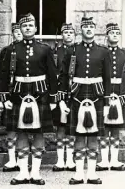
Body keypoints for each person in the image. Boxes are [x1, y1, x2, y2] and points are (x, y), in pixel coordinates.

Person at [0, 13, 58, 185]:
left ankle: (36, 173)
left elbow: (53, 75)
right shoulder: (11, 50)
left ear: (36, 28)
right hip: (18, 94)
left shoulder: (45, 49)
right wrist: (3, 97)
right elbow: (2, 75)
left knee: (39, 133)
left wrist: (53, 99)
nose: (28, 28)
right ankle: (23, 173)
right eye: (25, 26)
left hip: (41, 94)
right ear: (20, 29)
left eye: (31, 25)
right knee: (21, 133)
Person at [59, 16, 111, 185]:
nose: (88, 30)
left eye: (91, 27)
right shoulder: (71, 50)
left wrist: (108, 103)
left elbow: (107, 78)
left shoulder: (104, 52)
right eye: (85, 27)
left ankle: (93, 174)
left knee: (94, 136)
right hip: (77, 95)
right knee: (79, 136)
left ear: (95, 30)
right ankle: (79, 174)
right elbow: (64, 76)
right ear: (81, 30)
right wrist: (62, 100)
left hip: (97, 95)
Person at [96, 23, 125, 172]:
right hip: (104, 92)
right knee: (104, 128)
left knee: (115, 128)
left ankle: (114, 160)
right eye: (112, 32)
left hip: (120, 93)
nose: (115, 35)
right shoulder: (101, 53)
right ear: (106, 36)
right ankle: (103, 161)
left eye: (117, 33)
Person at [0, 22, 23, 172]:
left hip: (26, 94)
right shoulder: (6, 51)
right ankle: (12, 160)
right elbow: (0, 75)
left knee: (24, 129)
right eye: (16, 31)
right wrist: (2, 97)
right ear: (12, 33)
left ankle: (22, 159)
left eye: (21, 30)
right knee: (11, 129)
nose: (19, 33)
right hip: (10, 95)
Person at [52, 23, 76, 172]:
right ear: (62, 35)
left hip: (74, 91)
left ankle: (70, 159)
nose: (68, 35)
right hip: (59, 91)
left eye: (71, 32)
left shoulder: (78, 50)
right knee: (60, 127)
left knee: (72, 126)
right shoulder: (56, 51)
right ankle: (60, 160)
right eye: (65, 32)